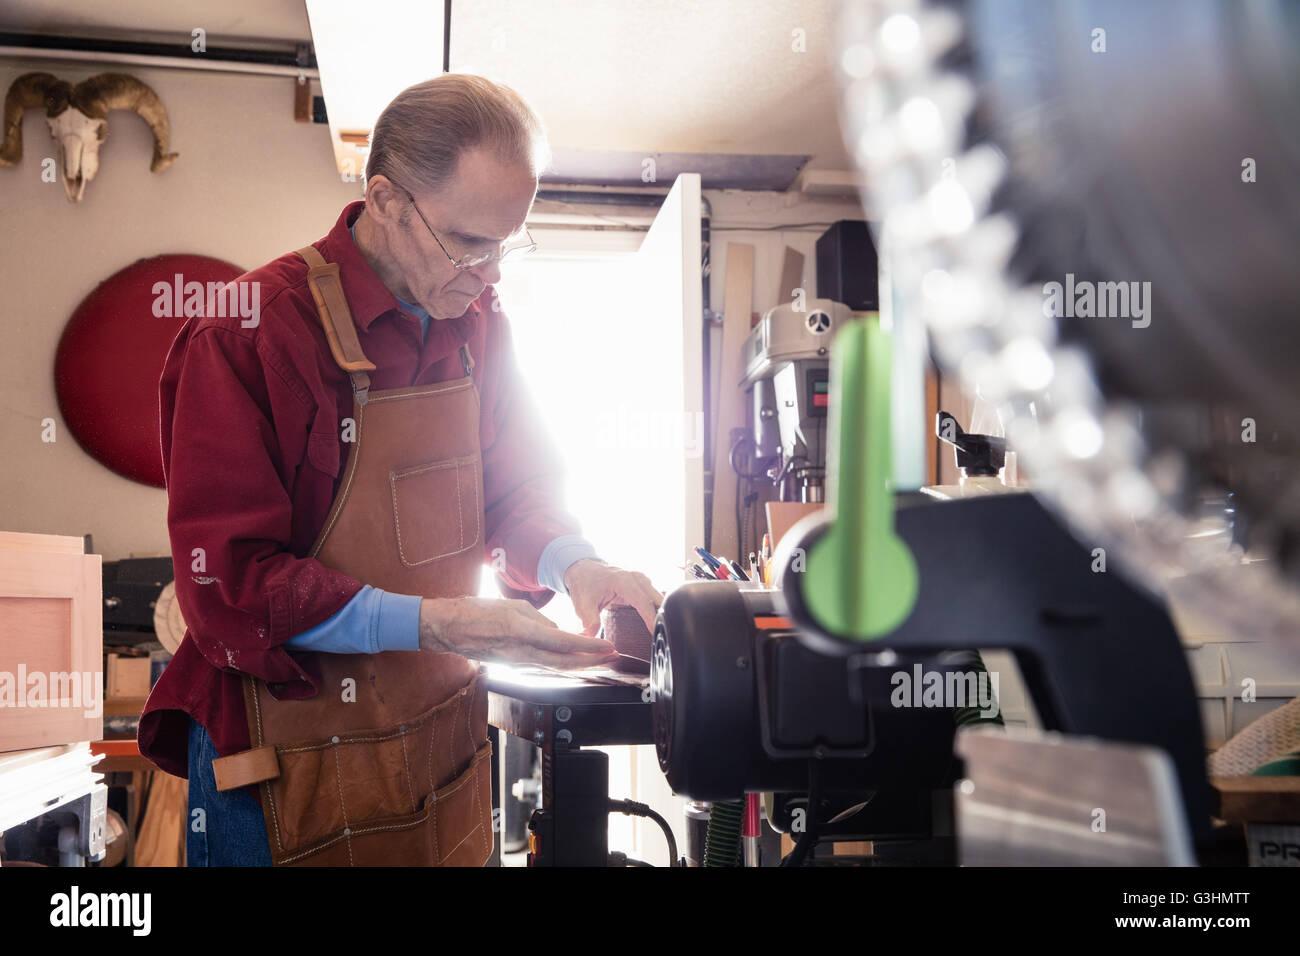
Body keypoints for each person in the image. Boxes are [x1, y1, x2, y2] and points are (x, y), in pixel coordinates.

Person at [138, 74, 662, 866]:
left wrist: (578, 564)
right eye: (469, 243)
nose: (490, 276)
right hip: (287, 761)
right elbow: (229, 588)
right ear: (384, 199)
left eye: (507, 244)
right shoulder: (244, 338)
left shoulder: (479, 325)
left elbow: (519, 490)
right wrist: (438, 623)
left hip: (438, 740)